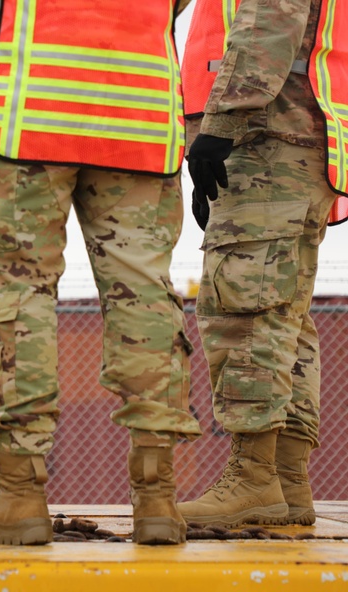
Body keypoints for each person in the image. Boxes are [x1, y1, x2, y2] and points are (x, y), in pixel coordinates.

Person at [0, 0, 203, 546]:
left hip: (34, 96)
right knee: (143, 294)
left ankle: (19, 495)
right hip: (139, 97)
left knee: (20, 289)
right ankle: (156, 500)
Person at [177, 0, 347, 527]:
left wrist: (220, 125)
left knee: (246, 307)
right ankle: (285, 481)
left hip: (266, 136)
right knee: (282, 317)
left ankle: (253, 479)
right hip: (286, 135)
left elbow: (270, 18)